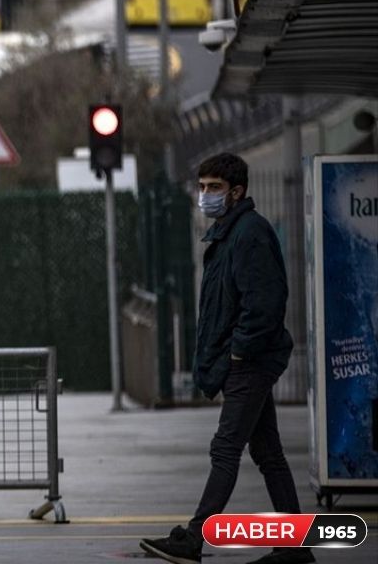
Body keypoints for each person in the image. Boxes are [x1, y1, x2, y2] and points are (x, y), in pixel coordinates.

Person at [141, 154, 311, 564]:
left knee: (225, 448)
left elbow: (266, 303)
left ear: (237, 192)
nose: (205, 195)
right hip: (246, 358)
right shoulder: (227, 232)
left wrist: (238, 351)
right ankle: (295, 550)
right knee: (268, 454)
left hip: (251, 361)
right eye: (201, 187)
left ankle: (194, 540)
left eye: (214, 188)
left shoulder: (250, 233)